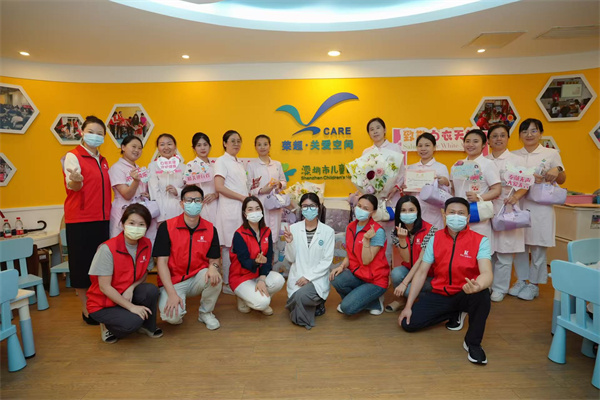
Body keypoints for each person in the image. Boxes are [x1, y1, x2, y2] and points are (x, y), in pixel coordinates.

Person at [399, 197, 493, 365]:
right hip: (441, 293)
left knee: (483, 294)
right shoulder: (435, 238)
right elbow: (421, 272)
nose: (456, 216)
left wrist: (478, 285)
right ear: (444, 215)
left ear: (468, 218)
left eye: (461, 213)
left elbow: (487, 272)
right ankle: (454, 313)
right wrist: (408, 306)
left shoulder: (480, 240)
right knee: (409, 324)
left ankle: (473, 343)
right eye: (452, 212)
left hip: (466, 292)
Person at [87, 204, 162, 343]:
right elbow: (104, 287)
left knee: (151, 290)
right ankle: (107, 326)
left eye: (141, 224)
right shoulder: (107, 249)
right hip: (103, 304)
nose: (136, 227)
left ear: (147, 228)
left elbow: (144, 273)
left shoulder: (146, 244)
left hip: (126, 294)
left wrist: (131, 288)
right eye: (131, 223)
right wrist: (132, 307)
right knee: (133, 322)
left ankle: (147, 327)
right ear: (122, 224)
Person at [62, 115, 111, 325]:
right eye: (91, 132)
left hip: (103, 219)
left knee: (100, 265)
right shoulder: (73, 156)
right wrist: (76, 180)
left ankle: (99, 303)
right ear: (82, 132)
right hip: (80, 220)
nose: (95, 136)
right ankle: (86, 308)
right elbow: (73, 185)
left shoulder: (103, 160)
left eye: (100, 133)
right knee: (82, 265)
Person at [510, 118, 566, 301]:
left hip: (541, 207)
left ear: (541, 133)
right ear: (519, 135)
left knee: (538, 246)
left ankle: (534, 284)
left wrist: (557, 170)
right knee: (519, 245)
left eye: (534, 130)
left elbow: (562, 179)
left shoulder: (550, 153)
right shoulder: (514, 155)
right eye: (525, 131)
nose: (529, 134)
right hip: (519, 204)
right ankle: (521, 280)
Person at [152, 185, 222, 329]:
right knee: (171, 317)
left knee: (215, 277)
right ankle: (177, 305)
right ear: (182, 203)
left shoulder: (210, 229)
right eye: (189, 200)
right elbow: (162, 263)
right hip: (173, 281)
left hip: (198, 277)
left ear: (202, 203)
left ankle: (206, 313)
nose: (193, 204)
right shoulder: (167, 227)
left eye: (197, 200)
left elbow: (214, 258)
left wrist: (213, 267)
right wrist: (172, 294)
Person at [486, 124, 527, 302]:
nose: (498, 139)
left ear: (508, 138)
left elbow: (525, 183)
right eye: (494, 136)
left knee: (505, 251)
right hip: (487, 209)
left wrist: (516, 196)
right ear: (488, 140)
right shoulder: (484, 160)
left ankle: (500, 288)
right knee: (488, 251)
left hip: (507, 208)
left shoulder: (516, 160)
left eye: (502, 135)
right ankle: (487, 284)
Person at [329, 194, 389, 316]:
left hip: (375, 280)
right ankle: (367, 299)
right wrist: (341, 267)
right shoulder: (351, 227)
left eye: (366, 208)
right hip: (358, 275)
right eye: (359, 206)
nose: (360, 210)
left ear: (373, 212)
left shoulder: (377, 231)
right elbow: (350, 253)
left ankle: (375, 301)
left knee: (346, 308)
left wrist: (366, 240)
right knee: (336, 278)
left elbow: (366, 260)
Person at [283, 193, 334, 329]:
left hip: (317, 279)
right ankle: (313, 307)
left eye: (312, 206)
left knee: (299, 297)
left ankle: (300, 310)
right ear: (301, 208)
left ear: (318, 207)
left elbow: (326, 261)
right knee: (297, 295)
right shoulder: (293, 229)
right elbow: (291, 258)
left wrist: (308, 277)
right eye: (305, 206)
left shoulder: (328, 231)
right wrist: (290, 243)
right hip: (297, 276)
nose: (308, 209)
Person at [229, 196, 285, 315]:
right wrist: (256, 262)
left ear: (262, 211)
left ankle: (259, 295)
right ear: (244, 214)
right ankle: (244, 297)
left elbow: (268, 257)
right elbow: (244, 262)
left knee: (279, 280)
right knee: (262, 303)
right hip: (241, 277)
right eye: (250, 209)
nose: (254, 212)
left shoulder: (267, 231)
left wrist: (262, 279)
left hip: (258, 274)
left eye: (257, 208)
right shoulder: (239, 234)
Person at [362, 117, 406, 264]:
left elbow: (401, 173)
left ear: (385, 130)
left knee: (391, 234)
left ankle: (388, 268)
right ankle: (376, 269)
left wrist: (395, 188)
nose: (375, 131)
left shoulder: (395, 149)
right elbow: (363, 176)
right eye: (371, 129)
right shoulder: (367, 152)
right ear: (369, 134)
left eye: (378, 128)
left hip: (392, 198)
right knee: (375, 233)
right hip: (374, 199)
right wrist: (370, 188)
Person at [385, 195, 437, 312]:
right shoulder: (396, 232)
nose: (407, 213)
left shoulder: (431, 230)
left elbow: (421, 261)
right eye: (403, 210)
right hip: (410, 268)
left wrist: (404, 283)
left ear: (418, 211)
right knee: (396, 273)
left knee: (408, 290)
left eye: (411, 210)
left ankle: (420, 301)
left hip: (428, 274)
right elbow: (406, 259)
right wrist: (402, 239)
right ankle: (402, 300)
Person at [214, 130, 249, 294]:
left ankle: (237, 278)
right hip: (229, 209)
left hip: (240, 209)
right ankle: (227, 283)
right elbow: (219, 187)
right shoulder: (221, 161)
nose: (236, 144)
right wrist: (242, 197)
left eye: (238, 141)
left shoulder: (239, 162)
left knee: (239, 244)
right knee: (228, 246)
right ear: (224, 143)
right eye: (232, 141)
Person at [451, 129, 501, 241]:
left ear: (483, 145)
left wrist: (479, 197)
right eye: (467, 141)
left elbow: (497, 189)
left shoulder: (488, 164)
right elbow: (453, 189)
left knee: (479, 247)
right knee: (459, 247)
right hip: (458, 215)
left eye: (475, 141)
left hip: (478, 214)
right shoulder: (457, 165)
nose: (470, 144)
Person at [108, 135, 156, 241]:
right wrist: (136, 181)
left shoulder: (139, 169)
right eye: (133, 146)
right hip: (123, 212)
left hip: (139, 212)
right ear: (123, 147)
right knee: (120, 244)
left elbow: (141, 190)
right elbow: (127, 195)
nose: (137, 150)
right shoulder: (117, 168)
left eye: (140, 148)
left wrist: (147, 195)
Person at [404, 132, 450, 229]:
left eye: (427, 145)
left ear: (434, 147)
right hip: (414, 213)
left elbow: (446, 193)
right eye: (420, 146)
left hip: (433, 214)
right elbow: (409, 193)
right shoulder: (411, 168)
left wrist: (444, 182)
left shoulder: (441, 167)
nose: (423, 148)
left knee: (434, 237)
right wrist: (405, 189)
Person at [247, 134, 287, 242]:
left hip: (275, 202)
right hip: (260, 202)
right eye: (259, 145)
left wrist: (279, 184)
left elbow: (284, 181)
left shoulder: (277, 164)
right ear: (255, 147)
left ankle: (272, 251)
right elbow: (248, 187)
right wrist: (260, 190)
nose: (262, 147)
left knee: (274, 232)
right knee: (261, 231)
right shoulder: (251, 165)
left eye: (265, 144)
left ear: (269, 146)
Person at [148, 133, 185, 224]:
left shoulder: (183, 167)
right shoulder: (153, 166)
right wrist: (160, 217)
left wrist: (177, 191)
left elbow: (188, 190)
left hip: (180, 210)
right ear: (158, 148)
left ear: (175, 146)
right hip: (160, 213)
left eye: (169, 144)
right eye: (162, 144)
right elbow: (154, 191)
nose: (166, 147)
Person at [185, 132, 219, 224]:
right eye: (199, 145)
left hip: (216, 203)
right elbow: (188, 188)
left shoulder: (215, 165)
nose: (203, 148)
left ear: (210, 146)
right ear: (194, 148)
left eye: (205, 144)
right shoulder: (190, 165)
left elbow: (221, 186)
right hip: (200, 204)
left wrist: (215, 195)